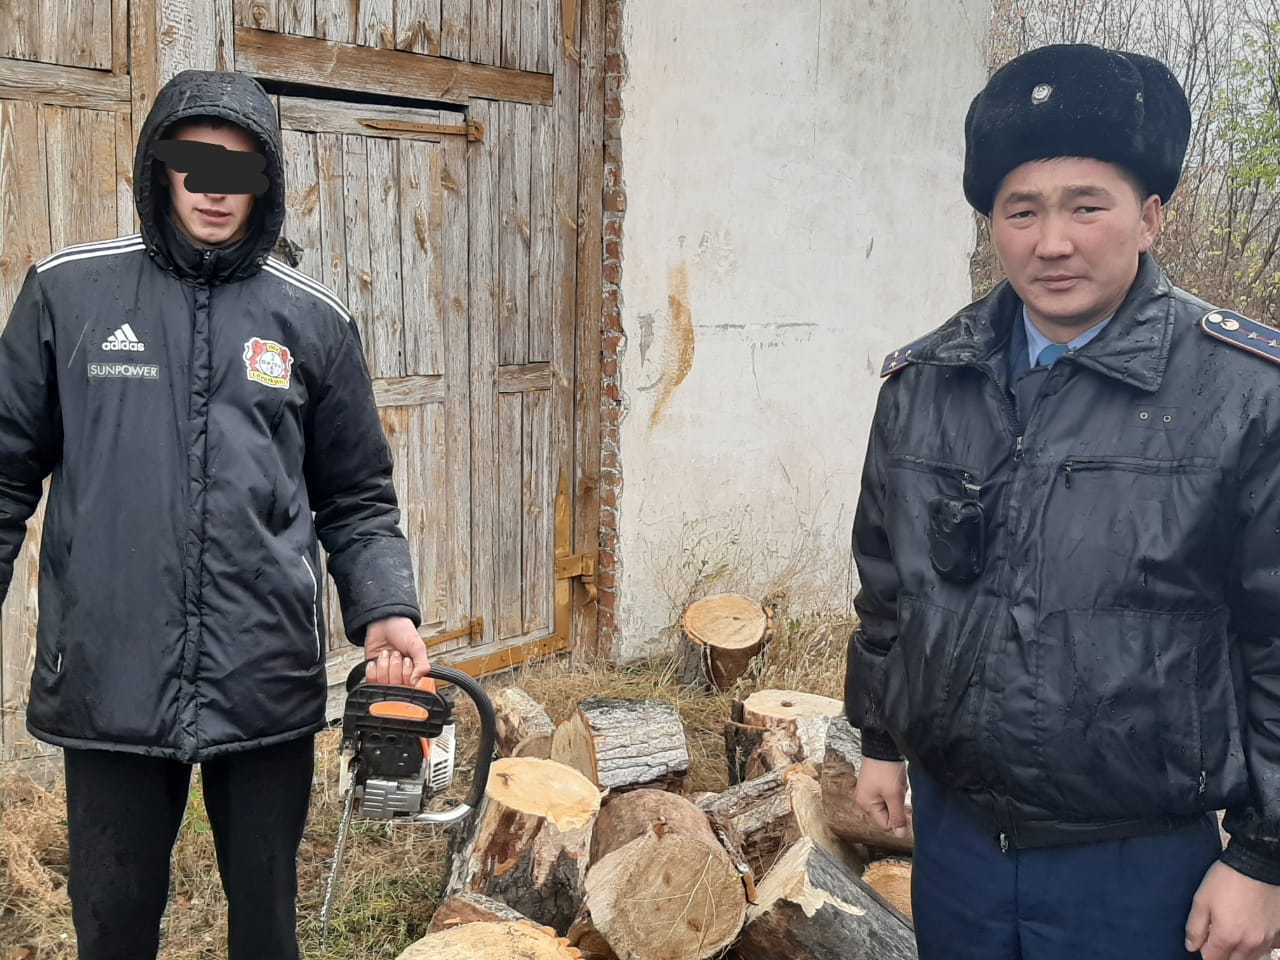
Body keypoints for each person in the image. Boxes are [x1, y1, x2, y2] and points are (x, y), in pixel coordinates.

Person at [845, 44, 1280, 960]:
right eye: (1022, 211)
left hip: (1137, 863)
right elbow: (889, 588)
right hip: (958, 847)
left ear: (1151, 216)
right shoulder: (926, 383)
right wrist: (880, 736)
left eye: (1088, 206)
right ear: (991, 225)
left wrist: (1266, 856)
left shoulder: (1244, 396)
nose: (1053, 242)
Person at [0, 70, 430, 959]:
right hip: (111, 676)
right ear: (161, 166)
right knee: (113, 930)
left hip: (262, 677)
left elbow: (355, 496)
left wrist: (385, 606)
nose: (213, 185)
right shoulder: (67, 296)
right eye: (195, 160)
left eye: (239, 166)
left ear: (264, 181)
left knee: (266, 934)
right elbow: (5, 472)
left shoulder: (313, 322)